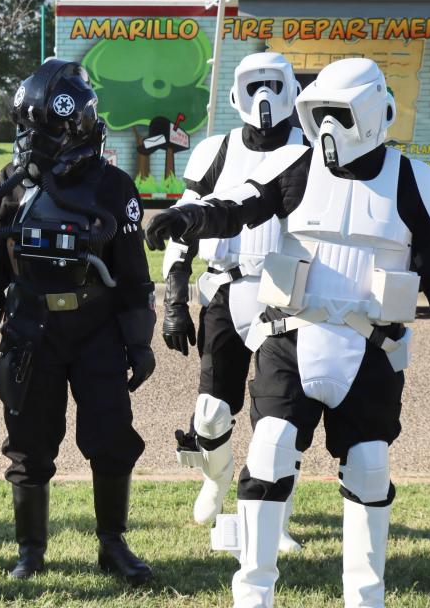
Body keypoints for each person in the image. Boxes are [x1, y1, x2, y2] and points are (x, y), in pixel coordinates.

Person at [145, 58, 430, 608]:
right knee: (269, 452)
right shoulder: (300, 168)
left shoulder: (414, 181)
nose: (326, 127)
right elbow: (240, 206)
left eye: (338, 113)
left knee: (370, 468)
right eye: (317, 112)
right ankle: (252, 596)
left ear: (375, 113)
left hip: (373, 347)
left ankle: (364, 599)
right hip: (292, 336)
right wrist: (189, 220)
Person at [0, 59, 157, 585]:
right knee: (28, 442)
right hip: (30, 330)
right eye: (25, 129)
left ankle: (112, 545)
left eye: (40, 129)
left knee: (111, 437)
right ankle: (30, 552)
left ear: (69, 124)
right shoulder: (10, 185)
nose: (30, 140)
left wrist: (139, 342)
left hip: (95, 332)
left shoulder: (113, 186)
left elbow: (134, 272)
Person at [162, 52, 302, 552]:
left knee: (278, 421)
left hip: (286, 298)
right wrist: (173, 297)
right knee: (210, 413)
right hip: (224, 290)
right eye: (254, 84)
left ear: (290, 87)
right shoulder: (215, 150)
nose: (264, 96)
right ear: (238, 92)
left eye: (273, 83)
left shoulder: (307, 151)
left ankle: (276, 522)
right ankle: (215, 480)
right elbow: (184, 221)